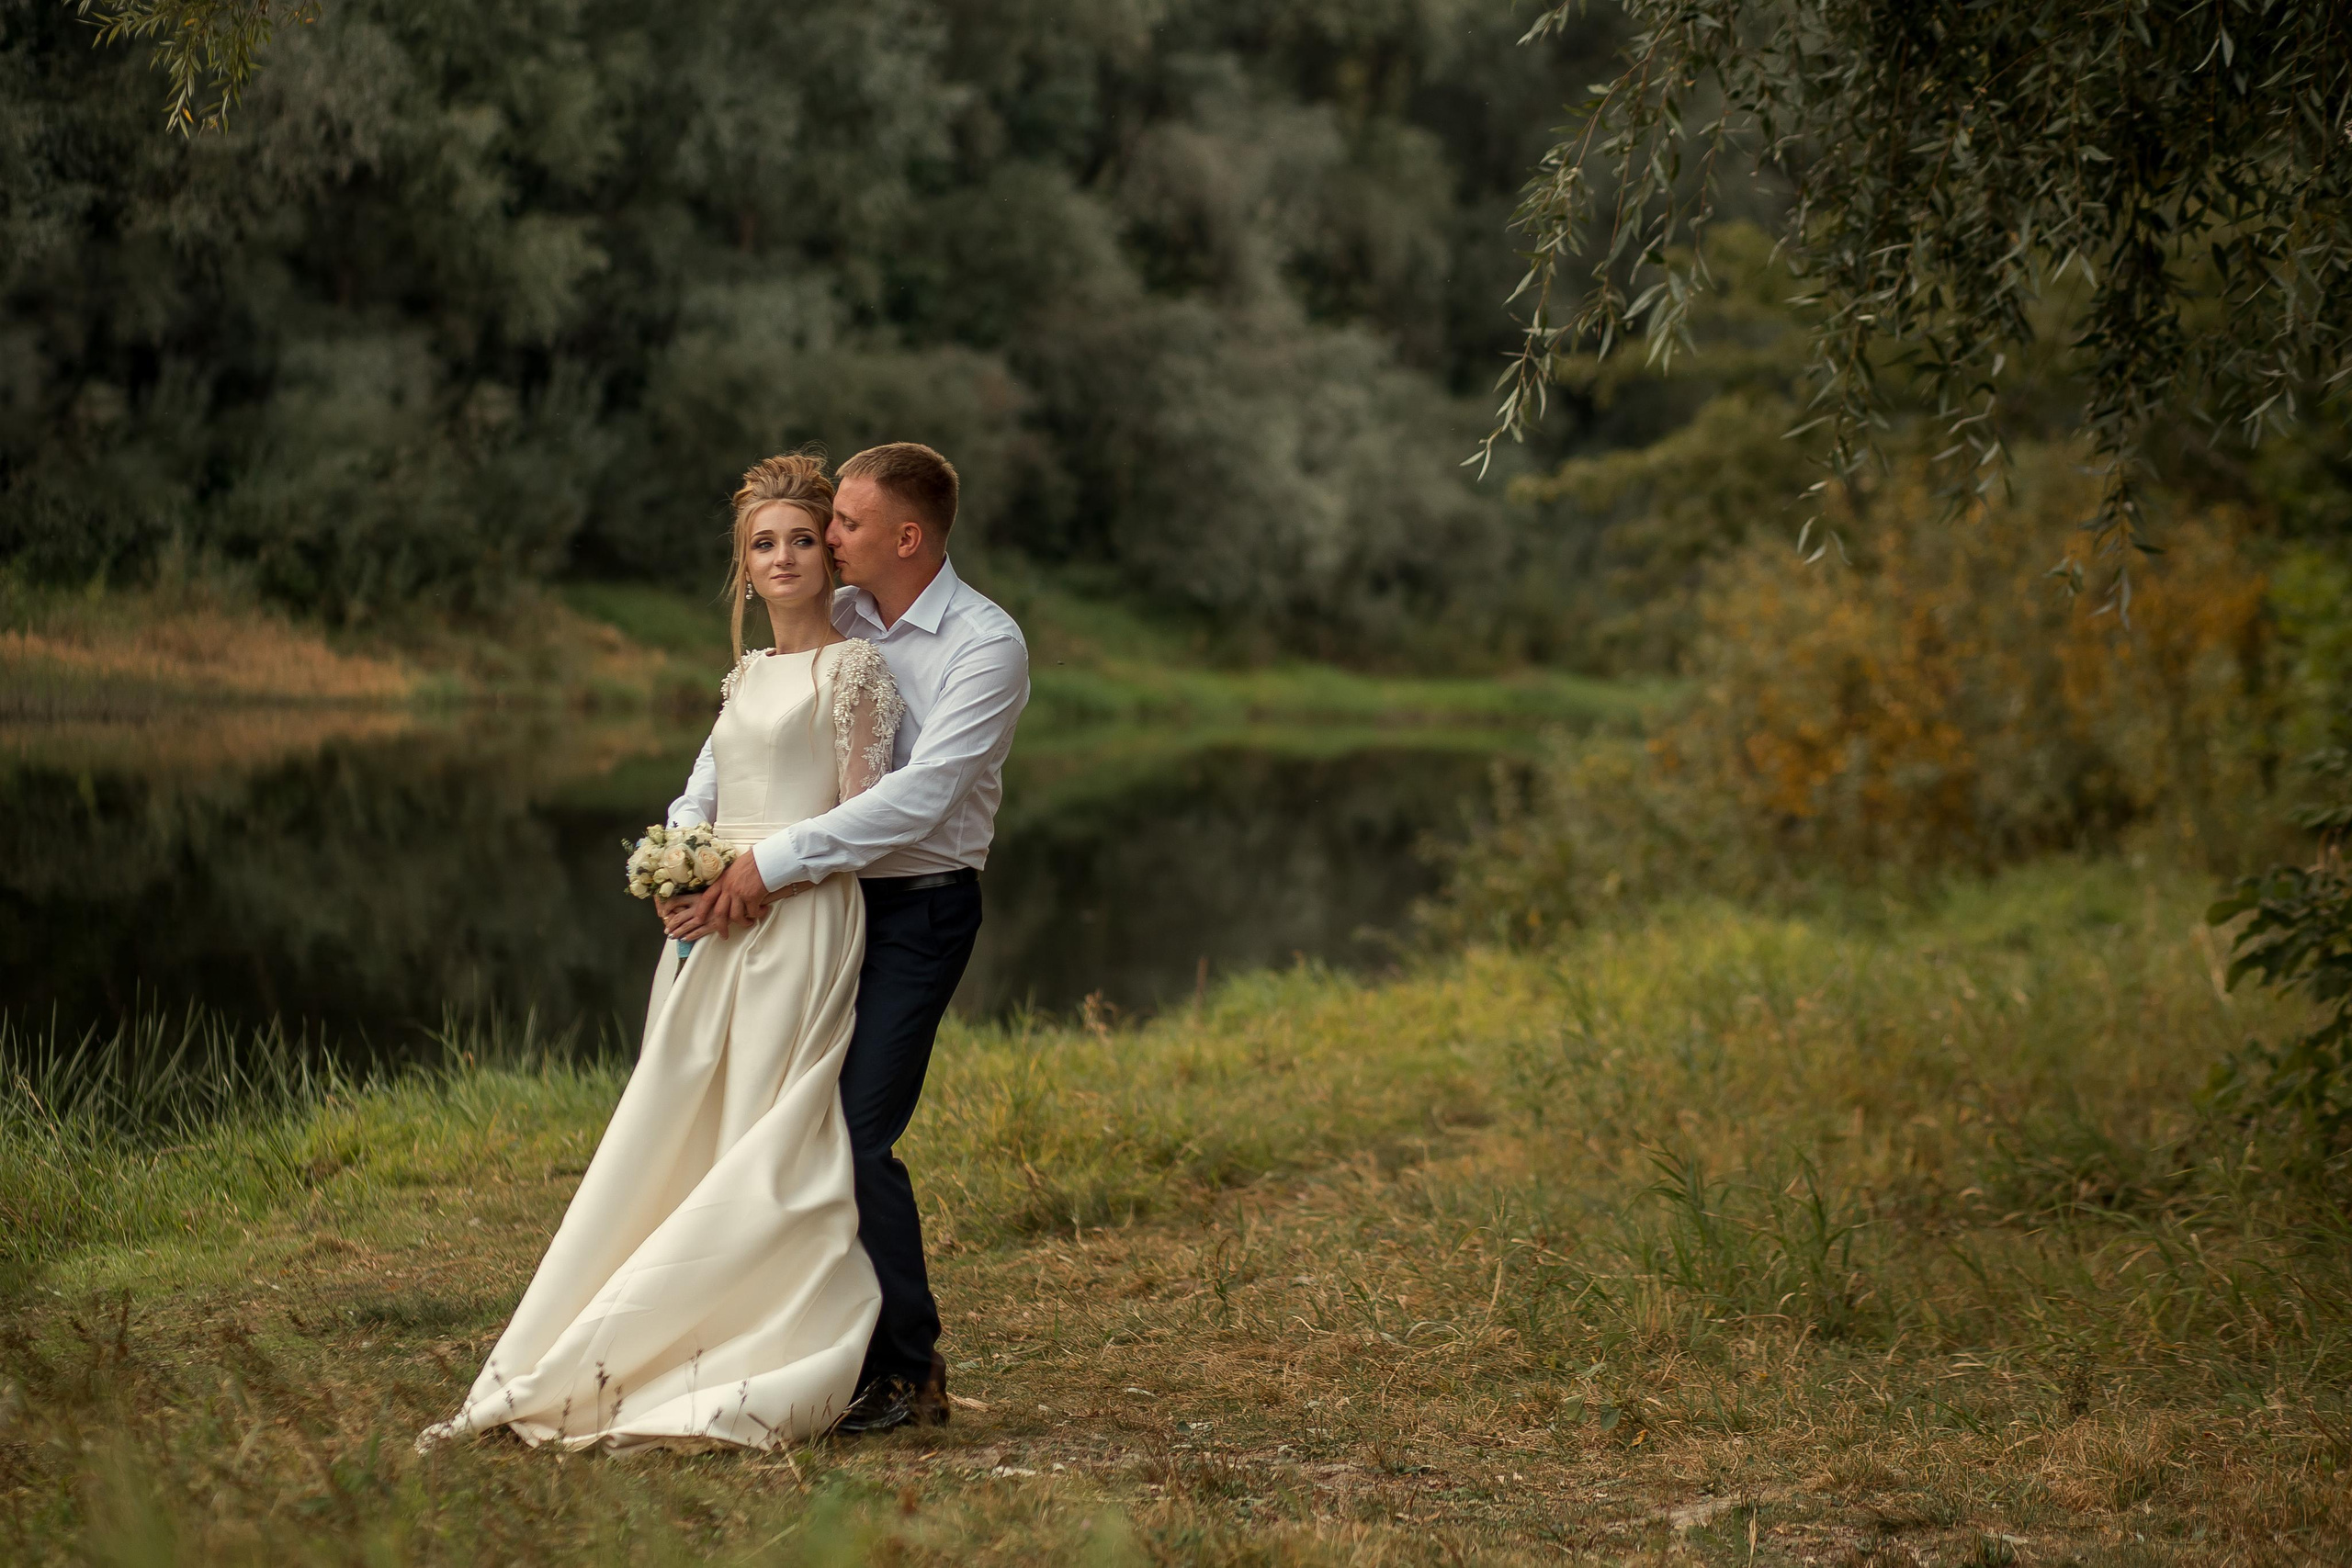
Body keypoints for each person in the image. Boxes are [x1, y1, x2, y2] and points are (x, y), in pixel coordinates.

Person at [417, 454, 906, 1451]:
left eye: (801, 540)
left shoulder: (856, 670)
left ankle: (756, 1321)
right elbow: (701, 792)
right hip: (711, 926)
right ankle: (630, 1323)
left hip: (800, 918)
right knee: (680, 1112)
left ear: (830, 555)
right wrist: (679, 869)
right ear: (744, 568)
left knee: (767, 1116)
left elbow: (861, 820)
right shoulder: (746, 674)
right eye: (763, 544)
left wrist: (758, 878)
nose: (783, 558)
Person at [684, 441, 1028, 1433]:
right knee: (780, 1119)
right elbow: (732, 747)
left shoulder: (984, 644)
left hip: (917, 909)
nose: (825, 535)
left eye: (844, 522)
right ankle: (791, 1343)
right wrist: (690, 852)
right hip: (808, 913)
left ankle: (909, 1372)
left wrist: (771, 860)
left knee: (852, 1127)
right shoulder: (836, 616)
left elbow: (924, 796)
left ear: (906, 537)